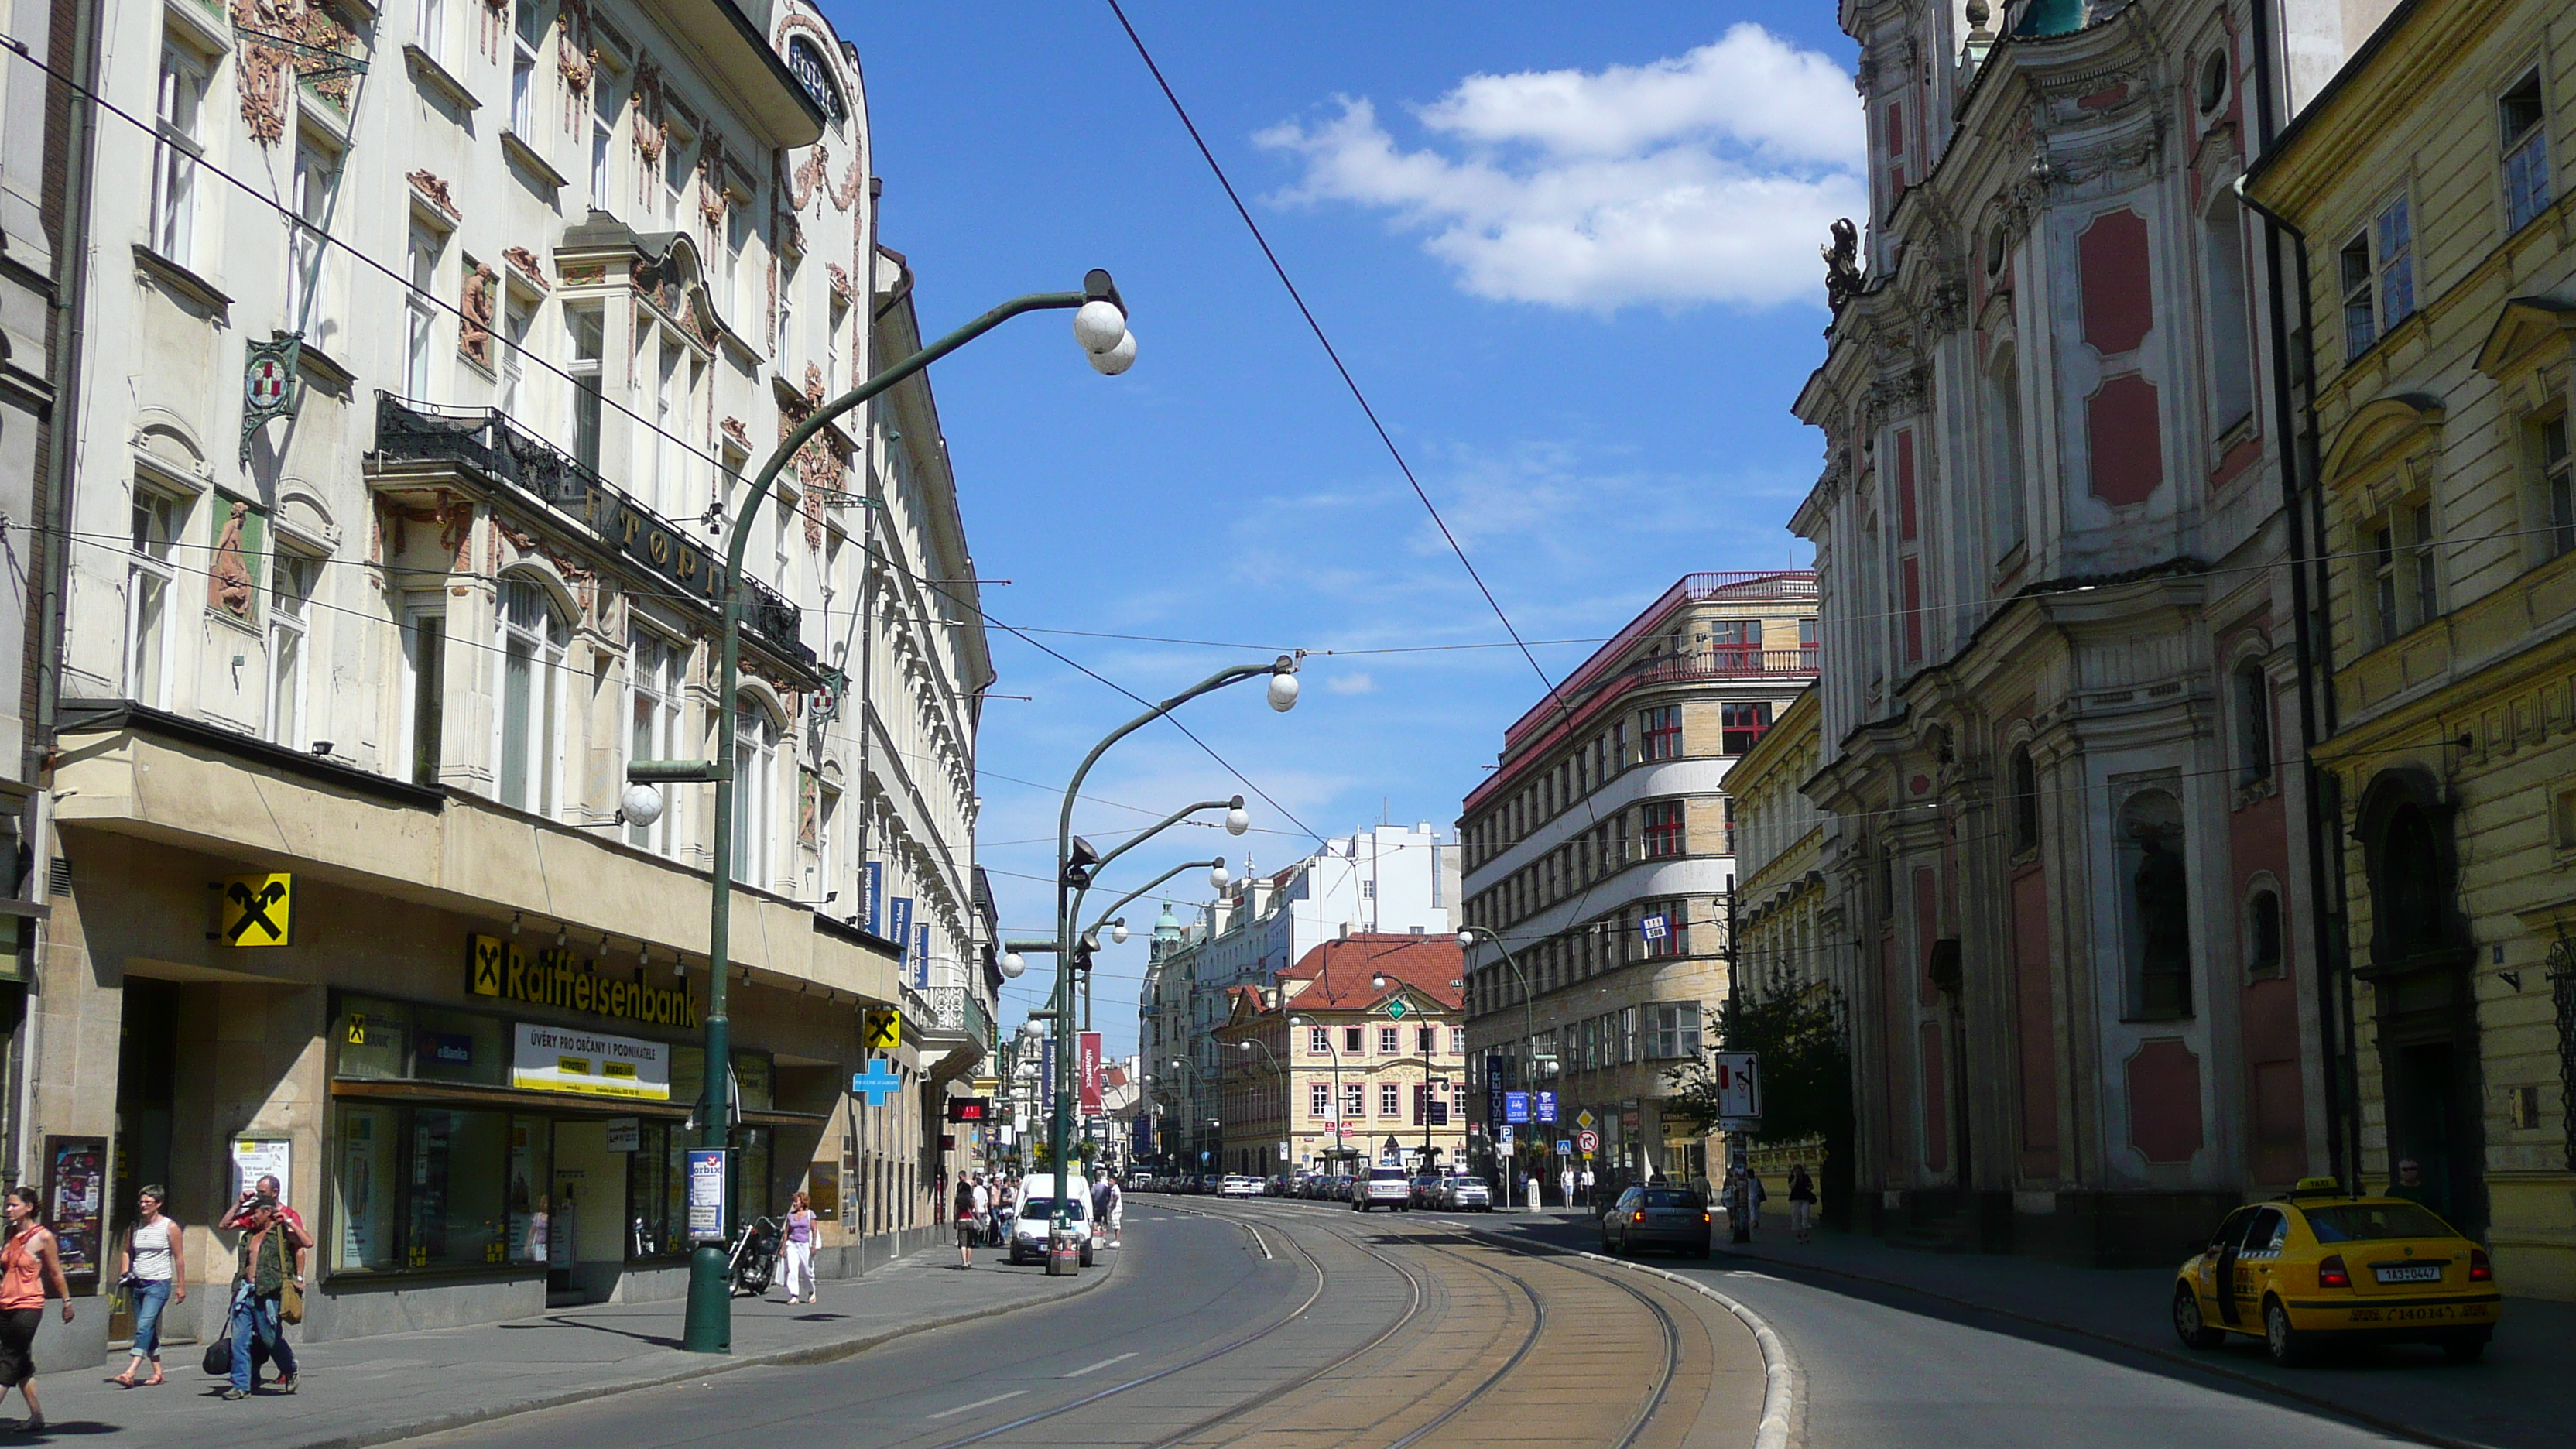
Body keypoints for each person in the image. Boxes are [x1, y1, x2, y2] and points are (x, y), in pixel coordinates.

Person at [0, 1188, 72, 1431]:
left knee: (9, 1358)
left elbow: (55, 1272)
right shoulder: (10, 1233)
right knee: (20, 1363)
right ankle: (37, 1416)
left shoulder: (43, 1237)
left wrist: (67, 1302)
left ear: (28, 1207)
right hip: (5, 1303)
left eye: (13, 1205)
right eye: (7, 1205)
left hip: (29, 1305)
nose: (8, 1209)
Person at [222, 1186, 303, 1399]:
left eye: (256, 1211)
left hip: (269, 1293)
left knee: (270, 1338)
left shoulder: (282, 1233)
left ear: (267, 1212)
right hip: (245, 1292)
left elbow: (307, 1242)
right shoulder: (250, 1234)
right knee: (240, 1340)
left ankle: (290, 1367)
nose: (252, 1215)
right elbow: (225, 1224)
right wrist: (239, 1203)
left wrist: (288, 1221)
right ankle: (241, 1385)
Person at [110, 1184, 187, 1388]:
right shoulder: (135, 1227)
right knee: (147, 1327)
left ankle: (131, 1370)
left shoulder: (169, 1227)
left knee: (144, 1325)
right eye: (141, 1202)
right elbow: (126, 1251)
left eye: (148, 1202)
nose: (143, 1205)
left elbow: (179, 1258)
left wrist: (181, 1286)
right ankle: (158, 1371)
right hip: (138, 1283)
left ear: (158, 1204)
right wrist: (125, 1273)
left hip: (159, 1284)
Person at [780, 1191, 817, 1304]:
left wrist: (813, 1245)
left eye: (796, 1201)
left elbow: (815, 1230)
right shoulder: (791, 1216)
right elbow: (786, 1233)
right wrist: (783, 1248)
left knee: (807, 1270)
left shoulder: (810, 1214)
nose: (794, 1204)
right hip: (792, 1244)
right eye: (794, 1201)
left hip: (804, 1245)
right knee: (792, 1269)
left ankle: (811, 1291)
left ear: (803, 1202)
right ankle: (794, 1295)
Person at [1786, 1163, 1817, 1244]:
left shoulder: (1806, 1177)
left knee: (1805, 1215)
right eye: (1796, 1170)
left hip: (1805, 1199)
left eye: (1799, 1170)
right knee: (1796, 1217)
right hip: (1795, 1199)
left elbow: (1811, 1187)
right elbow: (1791, 1187)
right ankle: (1798, 1236)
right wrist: (1795, 1178)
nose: (1798, 1172)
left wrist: (1809, 1187)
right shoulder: (1792, 1177)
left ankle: (1806, 1235)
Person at [954, 1175, 979, 1269]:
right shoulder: (972, 1199)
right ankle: (968, 1261)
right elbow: (976, 1211)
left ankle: (963, 1262)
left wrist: (955, 1222)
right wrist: (978, 1219)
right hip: (970, 1221)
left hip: (961, 1221)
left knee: (962, 1244)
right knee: (969, 1243)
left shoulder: (958, 1199)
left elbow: (956, 1212)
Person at [1102, 1177, 1124, 1249]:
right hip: (1114, 1209)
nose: (1109, 1182)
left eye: (1110, 1181)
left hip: (1116, 1209)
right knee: (1114, 1224)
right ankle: (1116, 1240)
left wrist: (1113, 1203)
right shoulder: (1112, 1189)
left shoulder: (1115, 1188)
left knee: (1116, 1224)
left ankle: (1117, 1241)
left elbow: (1117, 1196)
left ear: (1114, 1181)